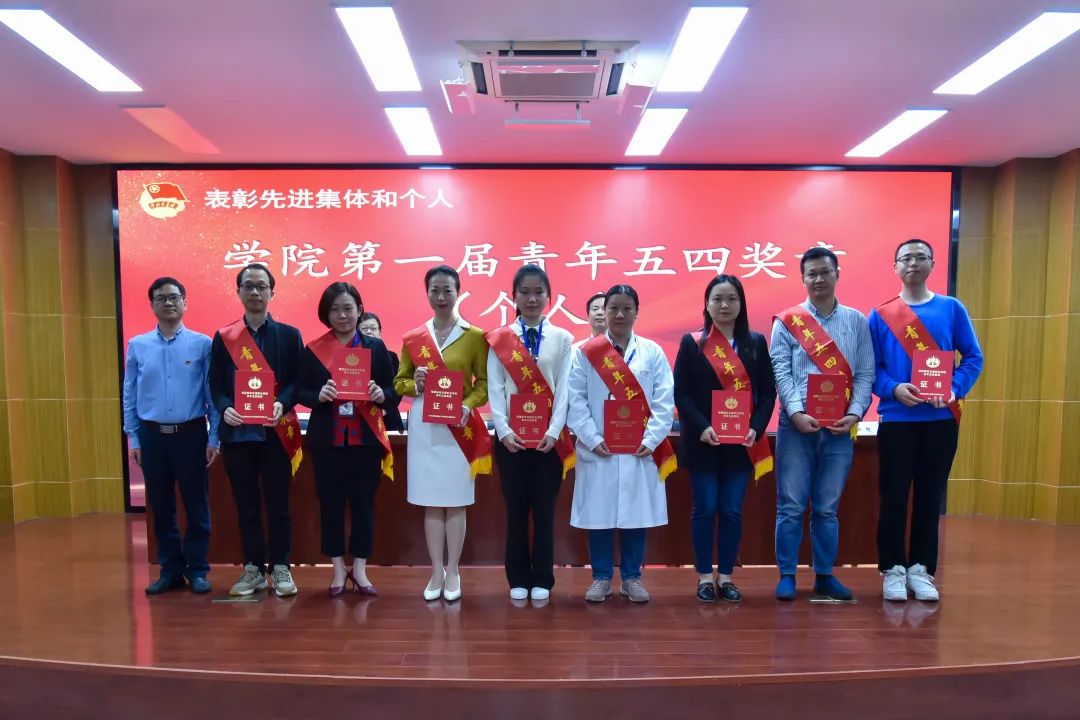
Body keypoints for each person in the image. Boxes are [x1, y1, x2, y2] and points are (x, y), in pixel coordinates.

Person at [869, 239, 983, 602]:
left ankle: (921, 569)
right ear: (895, 266)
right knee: (893, 496)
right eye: (906, 258)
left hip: (940, 420)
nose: (913, 263)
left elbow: (973, 358)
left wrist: (953, 388)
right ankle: (892, 569)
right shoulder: (880, 314)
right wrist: (892, 388)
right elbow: (871, 369)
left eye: (921, 257)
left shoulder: (951, 308)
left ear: (933, 264)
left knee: (930, 496)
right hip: (897, 419)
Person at [770, 246, 874, 601]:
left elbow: (865, 373)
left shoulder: (857, 321)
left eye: (824, 272)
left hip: (839, 428)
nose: (818, 279)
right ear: (803, 279)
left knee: (827, 507)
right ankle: (786, 575)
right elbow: (780, 371)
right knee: (791, 505)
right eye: (811, 274)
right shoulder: (787, 321)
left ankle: (825, 575)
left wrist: (855, 413)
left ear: (837, 274)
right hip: (795, 426)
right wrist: (796, 413)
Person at [567, 284, 676, 603]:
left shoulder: (652, 352)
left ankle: (631, 578)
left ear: (637, 312)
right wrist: (592, 438)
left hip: (640, 449)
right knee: (599, 516)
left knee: (635, 515)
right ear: (605, 311)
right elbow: (575, 399)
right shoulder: (585, 352)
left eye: (627, 308)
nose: (619, 314)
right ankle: (600, 578)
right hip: (598, 449)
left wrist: (651, 439)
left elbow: (664, 400)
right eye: (613, 307)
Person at [673, 275, 775, 603]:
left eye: (731, 298)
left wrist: (756, 427)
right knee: (705, 508)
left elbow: (768, 394)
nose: (724, 305)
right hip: (704, 442)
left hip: (741, 445)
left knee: (731, 510)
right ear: (706, 304)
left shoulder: (756, 343)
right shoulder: (693, 343)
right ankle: (705, 576)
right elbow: (682, 393)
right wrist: (702, 426)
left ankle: (727, 576)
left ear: (741, 303)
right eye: (717, 299)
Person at [394, 265, 492, 602]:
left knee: (456, 501)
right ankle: (436, 570)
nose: (440, 296)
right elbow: (399, 383)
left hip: (459, 428)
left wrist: (468, 404)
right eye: (434, 290)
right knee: (432, 503)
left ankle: (453, 571)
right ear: (427, 293)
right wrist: (415, 384)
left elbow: (484, 384)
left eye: (447, 290)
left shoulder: (475, 336)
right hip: (425, 427)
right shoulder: (413, 338)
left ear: (457, 292)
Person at [298, 282, 398, 597]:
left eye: (348, 308)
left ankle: (361, 569)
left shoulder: (375, 348)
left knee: (363, 505)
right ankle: (338, 570)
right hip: (328, 441)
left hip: (365, 441)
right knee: (330, 505)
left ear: (359, 310)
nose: (342, 315)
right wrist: (318, 396)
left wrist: (382, 394)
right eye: (335, 310)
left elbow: (392, 389)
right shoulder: (314, 349)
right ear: (325, 314)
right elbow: (299, 391)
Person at [209, 263, 304, 598]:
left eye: (261, 286)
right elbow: (216, 384)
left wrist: (283, 403)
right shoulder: (225, 337)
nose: (254, 292)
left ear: (271, 292)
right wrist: (225, 407)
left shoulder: (289, 335)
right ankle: (252, 568)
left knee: (279, 505)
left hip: (276, 434)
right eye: (248, 286)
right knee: (246, 504)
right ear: (238, 292)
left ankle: (281, 567)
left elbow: (297, 381)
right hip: (238, 436)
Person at [123, 277, 220, 595]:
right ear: (152, 305)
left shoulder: (202, 344)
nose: (168, 302)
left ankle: (198, 569)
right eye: (161, 298)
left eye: (174, 297)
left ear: (185, 303)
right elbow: (130, 395)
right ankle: (170, 570)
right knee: (161, 506)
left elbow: (211, 395)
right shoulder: (138, 345)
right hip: (152, 437)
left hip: (191, 434)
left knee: (196, 505)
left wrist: (214, 438)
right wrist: (133, 438)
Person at [486, 265, 575, 602]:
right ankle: (517, 576)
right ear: (514, 296)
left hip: (548, 443)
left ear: (548, 296)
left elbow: (564, 388)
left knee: (545, 512)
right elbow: (495, 387)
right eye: (525, 292)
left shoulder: (563, 339)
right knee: (516, 512)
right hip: (511, 441)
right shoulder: (499, 339)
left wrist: (554, 430)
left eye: (539, 292)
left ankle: (543, 577)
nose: (532, 298)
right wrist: (503, 430)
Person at [359, 311, 404, 432]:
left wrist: (384, 406)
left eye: (373, 328)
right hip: (358, 420)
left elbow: (397, 389)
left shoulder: (391, 357)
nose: (369, 332)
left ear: (380, 332)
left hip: (387, 418)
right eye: (364, 329)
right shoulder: (351, 359)